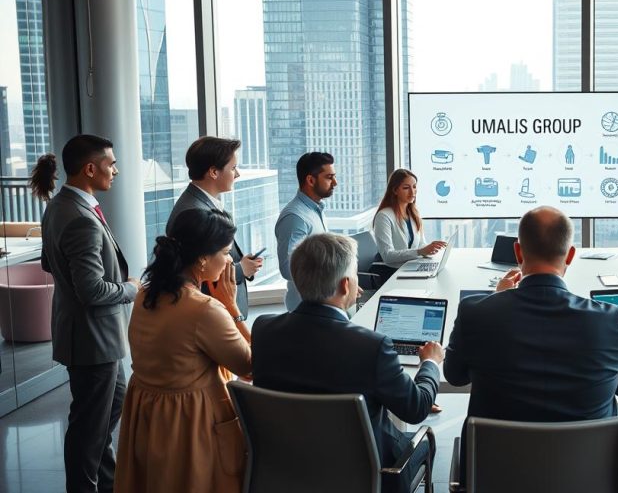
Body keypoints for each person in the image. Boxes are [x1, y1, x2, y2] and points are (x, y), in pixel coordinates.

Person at [444, 206, 618, 479]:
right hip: (588, 476)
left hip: (494, 475)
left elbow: (454, 375)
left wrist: (495, 300)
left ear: (518, 252)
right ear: (570, 255)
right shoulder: (610, 320)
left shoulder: (475, 313)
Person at [252, 234, 441, 493]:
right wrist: (430, 363)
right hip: (367, 474)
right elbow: (416, 408)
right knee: (425, 440)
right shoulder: (371, 347)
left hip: (287, 467)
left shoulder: (263, 330)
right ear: (345, 285)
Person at [114, 208, 251, 493]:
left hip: (151, 419)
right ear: (202, 259)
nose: (229, 260)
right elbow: (250, 366)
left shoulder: (146, 295)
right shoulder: (204, 309)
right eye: (225, 252)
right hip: (191, 424)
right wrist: (232, 307)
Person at [34, 135, 139, 493]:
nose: (116, 170)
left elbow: (49, 262)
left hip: (90, 335)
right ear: (91, 169)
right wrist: (131, 289)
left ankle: (106, 483)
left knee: (106, 412)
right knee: (89, 427)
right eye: (112, 164)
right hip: (92, 339)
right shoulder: (81, 218)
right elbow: (93, 291)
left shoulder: (59, 206)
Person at [167, 136, 263, 320]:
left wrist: (243, 263)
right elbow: (193, 271)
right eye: (233, 168)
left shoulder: (205, 203)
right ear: (213, 172)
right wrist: (241, 270)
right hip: (211, 314)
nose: (237, 174)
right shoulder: (193, 212)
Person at [276, 151, 337, 311]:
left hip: (323, 302)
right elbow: (288, 269)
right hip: (306, 309)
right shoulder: (295, 217)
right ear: (310, 180)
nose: (335, 183)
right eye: (329, 177)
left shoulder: (315, 209)